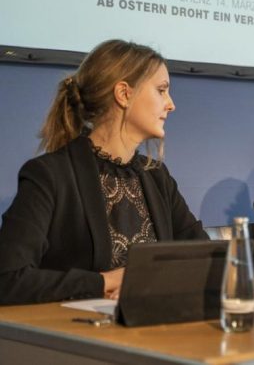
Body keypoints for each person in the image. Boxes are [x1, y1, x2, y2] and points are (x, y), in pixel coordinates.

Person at [0, 39, 208, 305]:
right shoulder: (50, 175)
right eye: (161, 90)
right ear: (123, 94)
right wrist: (105, 282)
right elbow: (8, 278)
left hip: (154, 323)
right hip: (75, 328)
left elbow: (206, 257)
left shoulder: (157, 176)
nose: (171, 104)